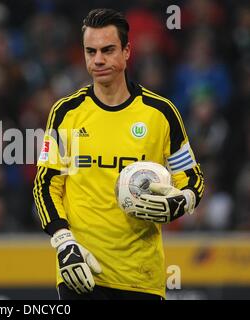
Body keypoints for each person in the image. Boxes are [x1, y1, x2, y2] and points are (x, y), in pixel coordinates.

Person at [33, 8, 204, 300]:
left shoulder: (160, 113)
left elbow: (191, 177)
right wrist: (63, 242)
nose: (98, 59)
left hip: (142, 277)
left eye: (108, 50)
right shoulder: (66, 113)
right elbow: (46, 185)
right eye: (91, 51)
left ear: (127, 52)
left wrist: (183, 200)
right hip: (82, 271)